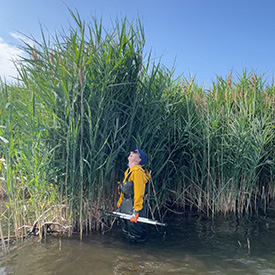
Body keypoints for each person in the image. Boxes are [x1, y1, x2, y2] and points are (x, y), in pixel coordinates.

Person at [116, 145, 150, 242]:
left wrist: (136, 210)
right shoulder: (128, 172)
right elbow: (123, 192)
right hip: (125, 208)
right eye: (132, 151)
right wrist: (119, 206)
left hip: (134, 209)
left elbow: (139, 192)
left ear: (139, 160)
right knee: (126, 235)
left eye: (135, 153)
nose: (131, 153)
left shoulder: (138, 172)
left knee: (136, 237)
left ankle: (139, 255)